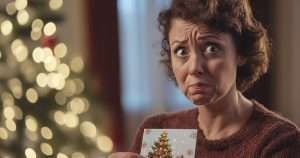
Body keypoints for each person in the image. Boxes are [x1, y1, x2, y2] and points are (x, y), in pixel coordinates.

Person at [109, 0, 300, 157]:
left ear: (240, 52)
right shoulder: (160, 130)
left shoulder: (278, 141)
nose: (194, 68)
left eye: (211, 48)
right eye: (181, 51)